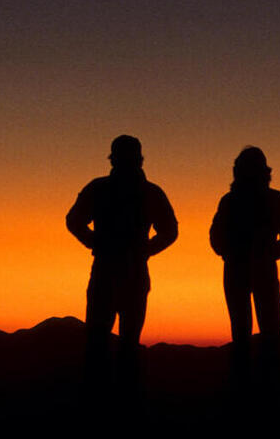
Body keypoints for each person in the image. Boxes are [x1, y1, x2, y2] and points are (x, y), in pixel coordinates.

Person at [66, 135, 178, 394]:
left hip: (114, 269)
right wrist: (145, 250)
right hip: (127, 270)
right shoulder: (148, 192)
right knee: (121, 340)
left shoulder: (101, 188)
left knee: (101, 339)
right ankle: (123, 400)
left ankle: (101, 398)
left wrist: (95, 242)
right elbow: (170, 231)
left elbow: (74, 220)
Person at [210, 146, 280, 393]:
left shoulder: (264, 200)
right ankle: (260, 385)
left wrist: (266, 256)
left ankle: (260, 385)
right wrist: (266, 255)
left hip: (252, 270)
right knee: (252, 329)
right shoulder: (260, 200)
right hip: (246, 270)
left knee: (261, 329)